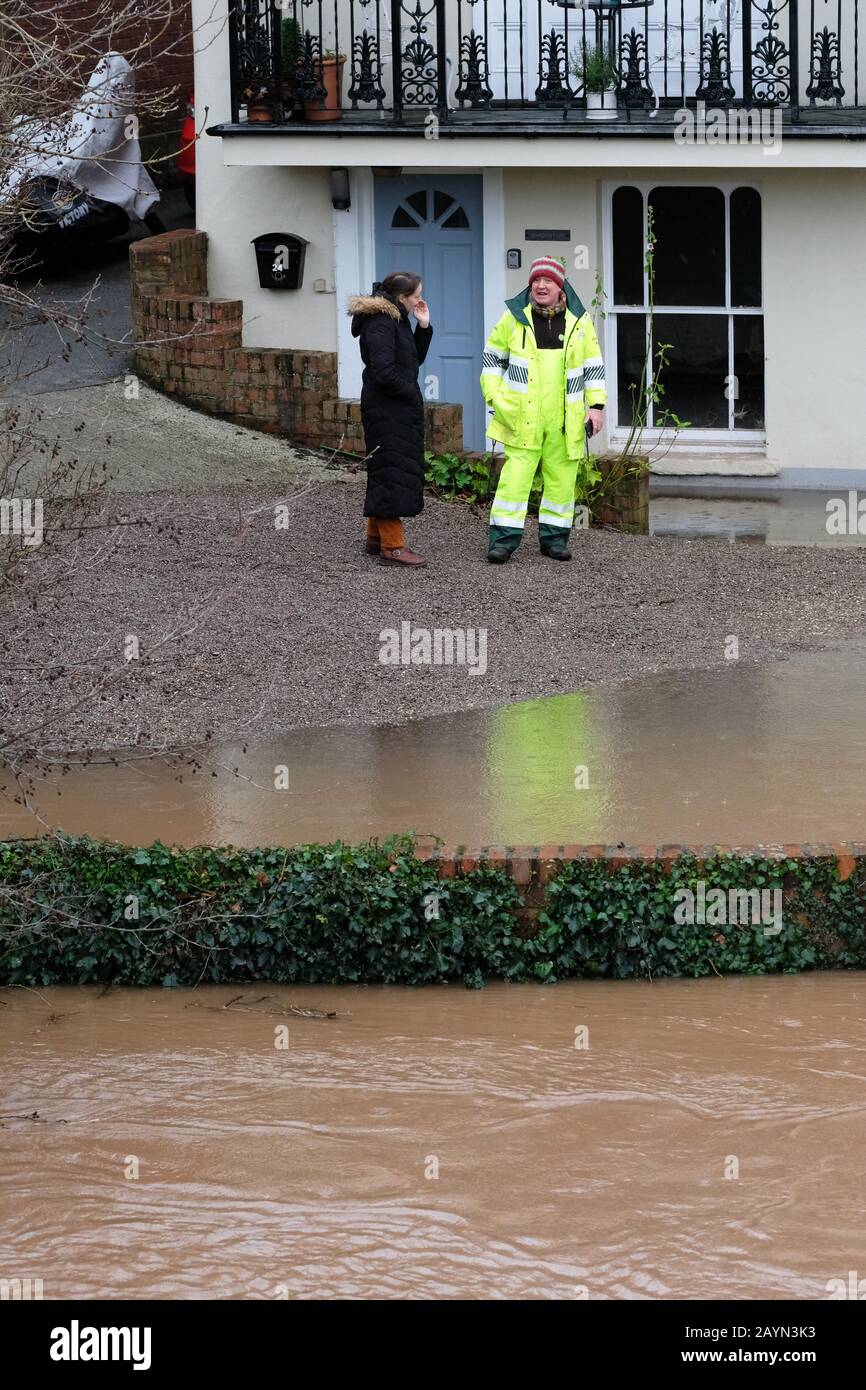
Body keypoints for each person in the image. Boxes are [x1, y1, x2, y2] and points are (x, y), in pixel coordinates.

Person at [481, 256, 607, 563]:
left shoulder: (580, 321)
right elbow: (491, 362)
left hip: (566, 417)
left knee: (562, 480)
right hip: (522, 415)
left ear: (560, 287)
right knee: (514, 479)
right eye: (536, 280)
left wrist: (596, 407)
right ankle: (503, 541)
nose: (540, 286)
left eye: (547, 281)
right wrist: (497, 399)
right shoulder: (512, 319)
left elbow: (593, 366)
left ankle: (554, 539)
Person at [349, 272, 432, 567]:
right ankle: (393, 547)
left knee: (386, 468)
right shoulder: (382, 322)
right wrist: (410, 392)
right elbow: (384, 372)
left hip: (393, 407)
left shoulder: (396, 318)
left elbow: (412, 360)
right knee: (392, 473)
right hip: (387, 408)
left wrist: (423, 326)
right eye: (415, 296)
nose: (419, 300)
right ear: (400, 297)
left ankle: (375, 538)